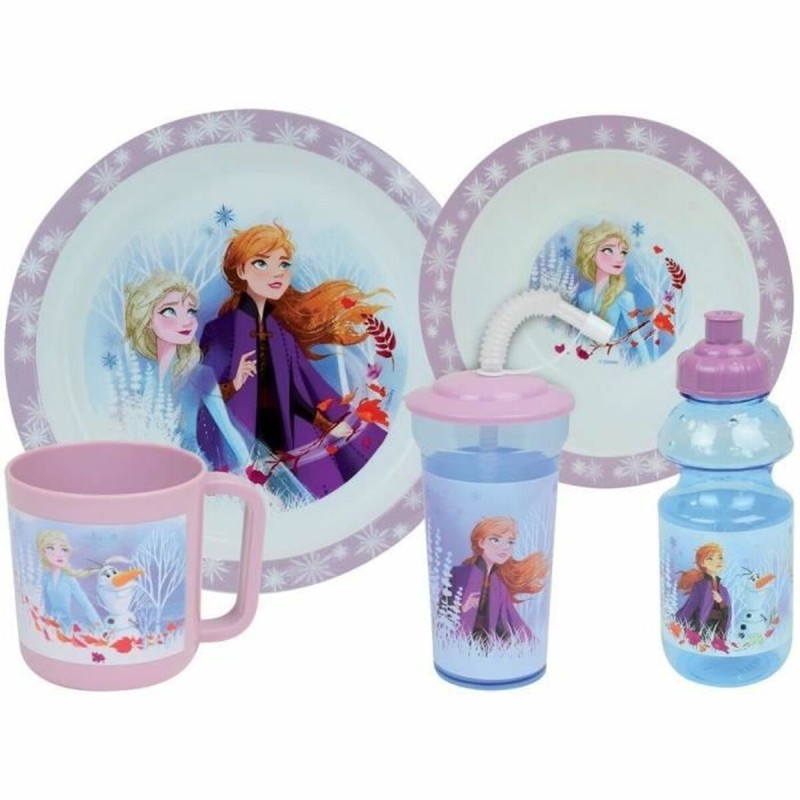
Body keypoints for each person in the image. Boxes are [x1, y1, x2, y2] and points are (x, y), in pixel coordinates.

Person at [198, 223, 389, 499]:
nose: (277, 272)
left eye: (284, 263)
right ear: (241, 271)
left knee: (333, 474)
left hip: (290, 431)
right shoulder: (221, 331)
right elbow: (204, 395)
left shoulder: (281, 333)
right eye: (261, 263)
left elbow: (296, 392)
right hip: (248, 440)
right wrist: (233, 385)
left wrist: (327, 423)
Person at [124, 272, 251, 470]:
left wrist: (251, 473)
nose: (186, 321)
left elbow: (229, 430)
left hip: (193, 472)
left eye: (190, 311)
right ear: (148, 319)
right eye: (170, 311)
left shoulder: (200, 375)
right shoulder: (146, 379)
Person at [446, 517, 549, 643]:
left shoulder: (499, 583)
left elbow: (514, 620)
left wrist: (534, 645)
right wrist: (463, 608)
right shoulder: (460, 574)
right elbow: (443, 613)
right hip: (461, 643)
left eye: (510, 542)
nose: (504, 547)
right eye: (495, 540)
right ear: (481, 542)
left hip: (490, 644)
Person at [574, 221, 650, 360]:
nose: (619, 258)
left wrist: (648, 366)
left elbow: (636, 336)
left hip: (609, 359)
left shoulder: (624, 298)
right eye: (609, 250)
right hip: (583, 360)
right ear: (592, 254)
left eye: (623, 252)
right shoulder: (583, 297)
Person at [36, 529, 103, 633]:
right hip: (49, 625)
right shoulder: (46, 578)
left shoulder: (69, 579)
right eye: (51, 548)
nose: (59, 554)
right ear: (43, 552)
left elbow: (85, 603)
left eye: (64, 549)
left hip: (65, 627)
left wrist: (99, 625)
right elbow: (46, 602)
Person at [676, 543, 731, 639]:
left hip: (717, 632)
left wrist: (721, 602)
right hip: (700, 630)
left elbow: (728, 614)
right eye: (710, 558)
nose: (717, 561)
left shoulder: (724, 590)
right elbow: (689, 608)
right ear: (702, 563)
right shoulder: (700, 586)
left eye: (720, 557)